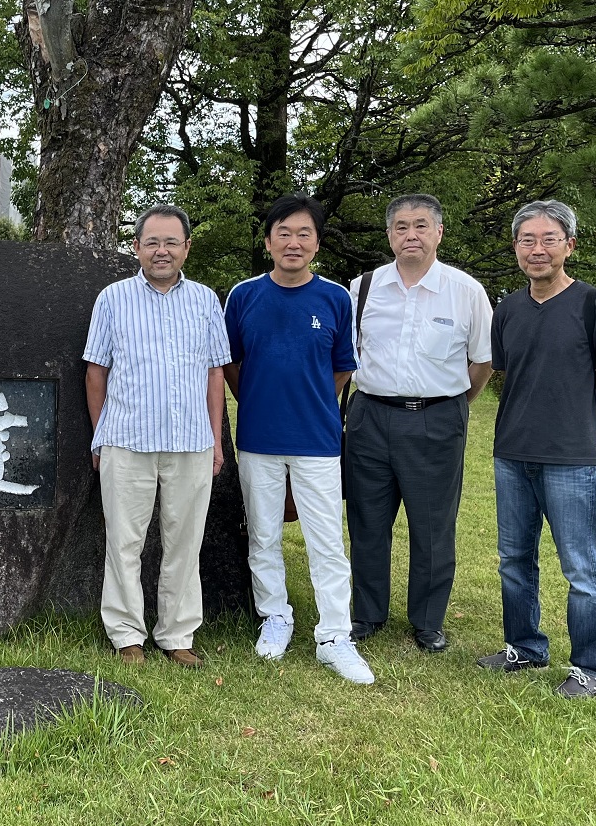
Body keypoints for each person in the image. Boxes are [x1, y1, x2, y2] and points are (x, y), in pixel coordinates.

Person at [477, 201, 596, 698]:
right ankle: (523, 648)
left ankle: (592, 669)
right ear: (516, 247)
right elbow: (508, 375)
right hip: (512, 453)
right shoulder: (508, 308)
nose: (537, 249)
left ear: (569, 245)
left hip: (571, 458)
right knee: (514, 559)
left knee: (582, 568)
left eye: (548, 239)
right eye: (527, 239)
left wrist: (594, 440)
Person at [223, 194, 373, 684]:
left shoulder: (334, 297)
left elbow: (340, 370)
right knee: (263, 533)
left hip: (318, 439)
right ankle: (276, 617)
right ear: (268, 241)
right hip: (258, 439)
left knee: (326, 540)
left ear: (316, 242)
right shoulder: (244, 295)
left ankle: (334, 635)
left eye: (304, 233)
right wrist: (260, 400)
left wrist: (310, 404)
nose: (293, 242)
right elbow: (231, 364)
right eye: (283, 232)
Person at [84, 204, 230, 667]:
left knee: (185, 539)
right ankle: (127, 633)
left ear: (186, 247)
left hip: (191, 441)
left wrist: (216, 441)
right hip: (126, 439)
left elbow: (214, 373)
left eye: (171, 242)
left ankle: (177, 634)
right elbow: (96, 371)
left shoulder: (206, 300)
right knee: (124, 541)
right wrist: (99, 436)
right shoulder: (112, 298)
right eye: (152, 242)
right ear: (136, 247)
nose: (161, 251)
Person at [346, 194, 494, 652]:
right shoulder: (362, 288)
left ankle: (427, 621)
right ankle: (366, 615)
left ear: (439, 233)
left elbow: (483, 361)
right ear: (390, 235)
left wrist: (448, 403)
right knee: (367, 521)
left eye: (421, 226)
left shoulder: (465, 290)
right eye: (402, 226)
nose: (411, 234)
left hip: (436, 420)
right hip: (369, 416)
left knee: (433, 526)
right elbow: (346, 356)